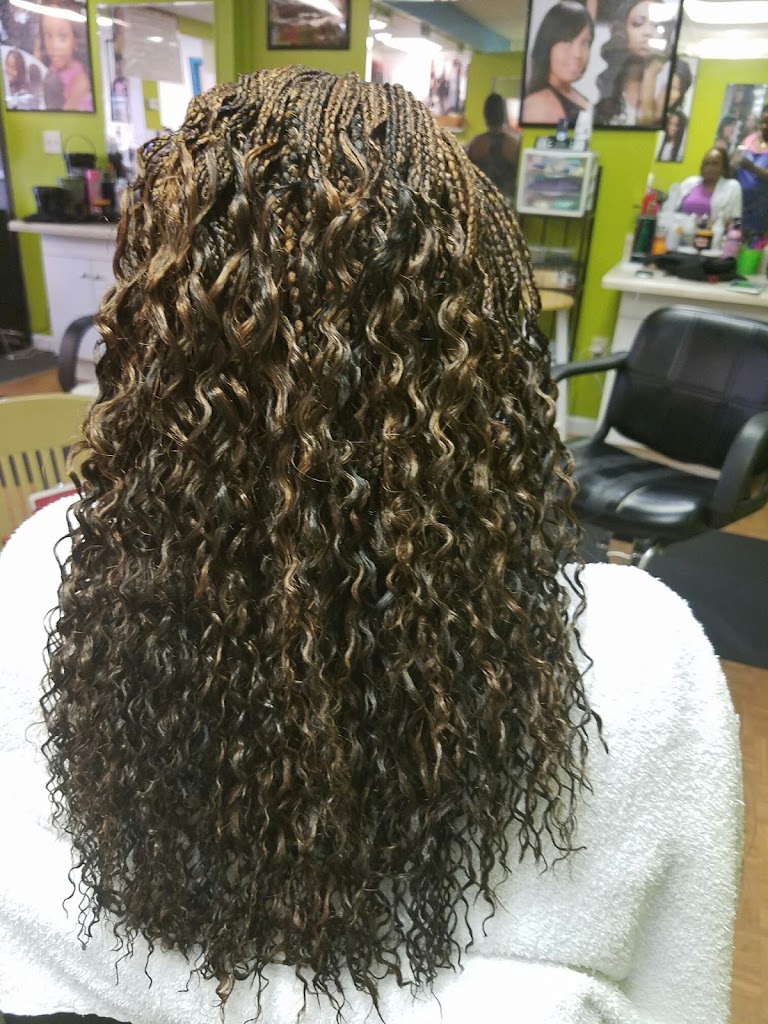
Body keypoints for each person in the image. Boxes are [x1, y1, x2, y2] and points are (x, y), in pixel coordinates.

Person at [0, 68, 741, 1024]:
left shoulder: (39, 573)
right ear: (480, 343)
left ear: (155, 324)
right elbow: (683, 995)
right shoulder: (642, 666)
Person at [595, 0, 672, 126]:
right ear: (622, 30)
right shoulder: (600, 81)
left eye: (657, 26)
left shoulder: (667, 84)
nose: (648, 32)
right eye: (638, 23)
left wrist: (650, 73)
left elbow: (647, 123)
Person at [521, 1, 593, 126]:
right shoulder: (539, 105)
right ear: (547, 44)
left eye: (585, 43)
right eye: (567, 41)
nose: (577, 54)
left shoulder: (571, 94)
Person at [466, 92, 520, 201]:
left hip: (480, 200)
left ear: (485, 114)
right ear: (504, 115)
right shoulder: (514, 144)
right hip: (505, 202)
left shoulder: (476, 144)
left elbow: (466, 175)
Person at [40, 1, 93, 111]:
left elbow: (63, 115)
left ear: (76, 41)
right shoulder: (50, 69)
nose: (53, 46)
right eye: (48, 35)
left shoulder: (80, 81)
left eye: (62, 37)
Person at [677, 147, 742, 223]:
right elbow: (671, 209)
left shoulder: (732, 186)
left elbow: (737, 220)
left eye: (715, 164)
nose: (709, 168)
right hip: (680, 228)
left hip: (714, 230)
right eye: (706, 163)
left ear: (723, 167)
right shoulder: (689, 182)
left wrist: (707, 223)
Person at [732, 104, 768, 238]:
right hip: (739, 204)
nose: (764, 126)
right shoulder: (749, 139)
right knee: (734, 237)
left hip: (761, 208)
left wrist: (752, 168)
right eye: (762, 122)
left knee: (753, 244)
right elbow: (735, 159)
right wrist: (733, 162)